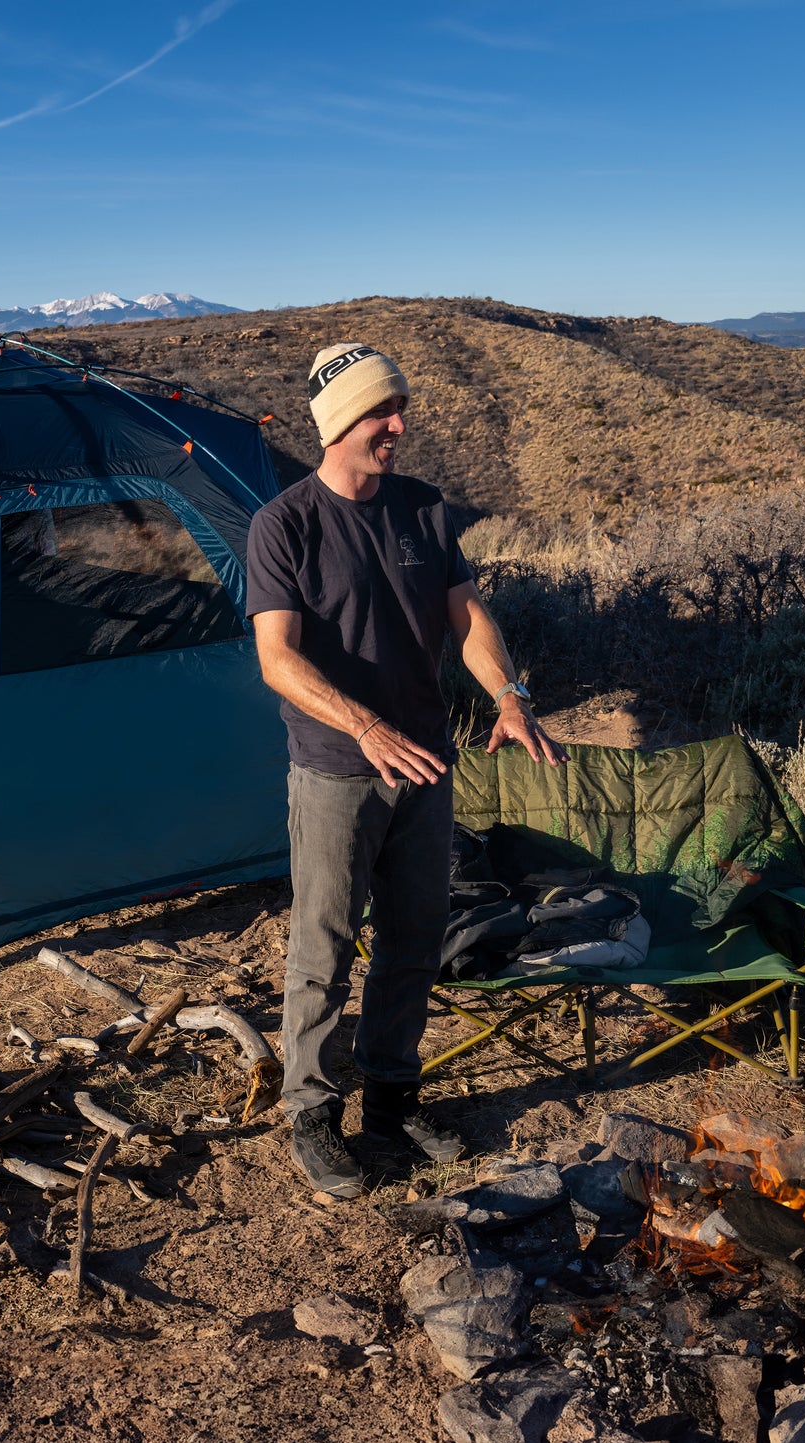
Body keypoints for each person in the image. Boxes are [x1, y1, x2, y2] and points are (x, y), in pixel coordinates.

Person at [246, 342, 567, 1198]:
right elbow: (276, 659)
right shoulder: (285, 524)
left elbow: (467, 618)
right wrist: (364, 725)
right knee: (322, 944)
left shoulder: (423, 510)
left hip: (425, 764)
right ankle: (310, 1113)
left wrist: (507, 693)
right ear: (337, 422)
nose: (397, 426)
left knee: (415, 939)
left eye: (398, 409)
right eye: (380, 413)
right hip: (333, 771)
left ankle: (390, 1099)